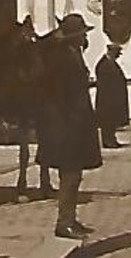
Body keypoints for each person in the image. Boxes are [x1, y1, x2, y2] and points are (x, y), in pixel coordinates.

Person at [37, 15, 103, 240]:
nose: (85, 36)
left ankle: (70, 219)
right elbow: (61, 93)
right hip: (66, 127)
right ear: (74, 37)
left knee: (75, 175)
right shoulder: (61, 58)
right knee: (70, 175)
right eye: (82, 33)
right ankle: (63, 222)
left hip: (75, 124)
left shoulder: (73, 55)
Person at [94, 43, 130, 149]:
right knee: (108, 121)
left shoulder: (110, 63)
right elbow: (106, 83)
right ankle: (108, 141)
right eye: (117, 53)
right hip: (107, 99)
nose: (119, 55)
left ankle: (112, 139)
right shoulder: (104, 64)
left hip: (113, 98)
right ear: (111, 52)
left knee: (112, 121)